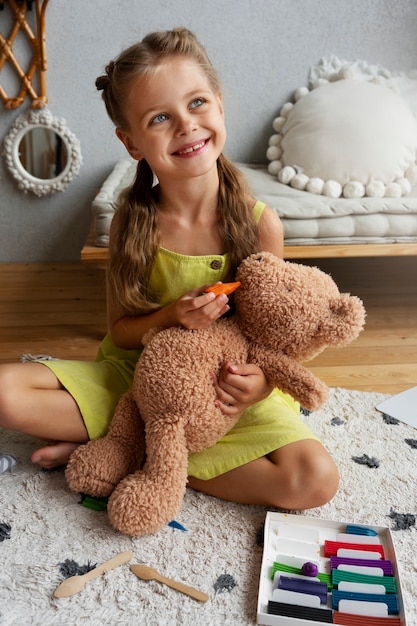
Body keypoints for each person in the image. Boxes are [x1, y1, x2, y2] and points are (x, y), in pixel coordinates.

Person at [0, 27, 338, 510]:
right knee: (6, 393)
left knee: (314, 481)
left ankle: (134, 455)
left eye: (197, 103)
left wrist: (258, 385)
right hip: (139, 381)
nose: (186, 125)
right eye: (160, 117)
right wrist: (171, 317)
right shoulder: (130, 224)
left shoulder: (262, 226)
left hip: (223, 390)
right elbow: (119, 334)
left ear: (219, 106)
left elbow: (274, 333)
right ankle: (140, 443)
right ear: (131, 141)